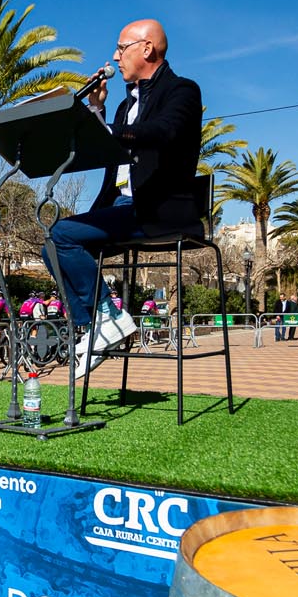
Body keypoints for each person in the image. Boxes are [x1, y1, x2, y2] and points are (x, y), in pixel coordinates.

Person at [43, 20, 201, 373]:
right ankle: (98, 326)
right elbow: (107, 148)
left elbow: (165, 131)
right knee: (50, 244)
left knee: (61, 234)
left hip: (158, 208)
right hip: (122, 209)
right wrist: (97, 111)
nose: (115, 57)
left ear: (146, 48)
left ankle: (108, 317)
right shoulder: (123, 106)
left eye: (121, 48)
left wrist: (112, 129)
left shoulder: (182, 90)